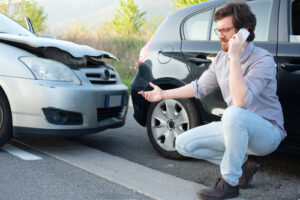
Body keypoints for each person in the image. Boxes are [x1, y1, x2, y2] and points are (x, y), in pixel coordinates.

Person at [138, 1, 286, 200]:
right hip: (235, 127)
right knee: (182, 143)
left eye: (226, 30)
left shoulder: (263, 60)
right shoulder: (220, 59)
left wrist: (235, 58)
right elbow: (199, 87)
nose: (221, 35)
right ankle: (241, 166)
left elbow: (240, 100)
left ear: (245, 31)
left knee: (233, 113)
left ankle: (229, 183)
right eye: (218, 30)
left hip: (267, 132)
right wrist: (164, 94)